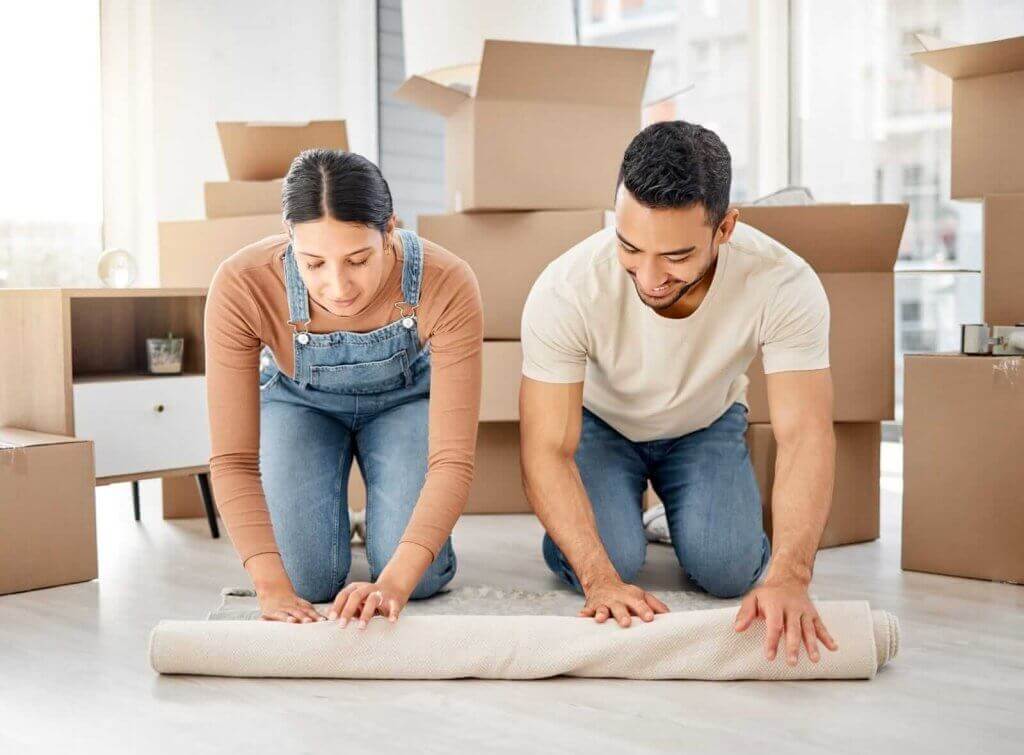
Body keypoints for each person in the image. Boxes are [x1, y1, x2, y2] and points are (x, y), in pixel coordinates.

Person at [519, 121, 839, 666]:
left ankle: (674, 513)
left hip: (704, 424)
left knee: (731, 570)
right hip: (601, 425)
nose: (648, 277)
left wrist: (790, 575)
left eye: (675, 256)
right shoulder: (566, 287)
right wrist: (598, 579)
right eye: (630, 246)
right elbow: (546, 449)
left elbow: (805, 434)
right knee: (613, 559)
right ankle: (619, 521)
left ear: (725, 228)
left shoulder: (784, 282)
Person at [204, 148, 483, 627]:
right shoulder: (241, 284)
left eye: (358, 259)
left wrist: (396, 582)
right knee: (305, 581)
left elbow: (452, 460)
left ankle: (385, 529)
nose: (338, 287)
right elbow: (232, 460)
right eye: (313, 264)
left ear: (389, 229)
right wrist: (271, 589)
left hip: (404, 403)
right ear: (289, 238)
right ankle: (347, 524)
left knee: (422, 579)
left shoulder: (447, 279)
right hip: (300, 405)